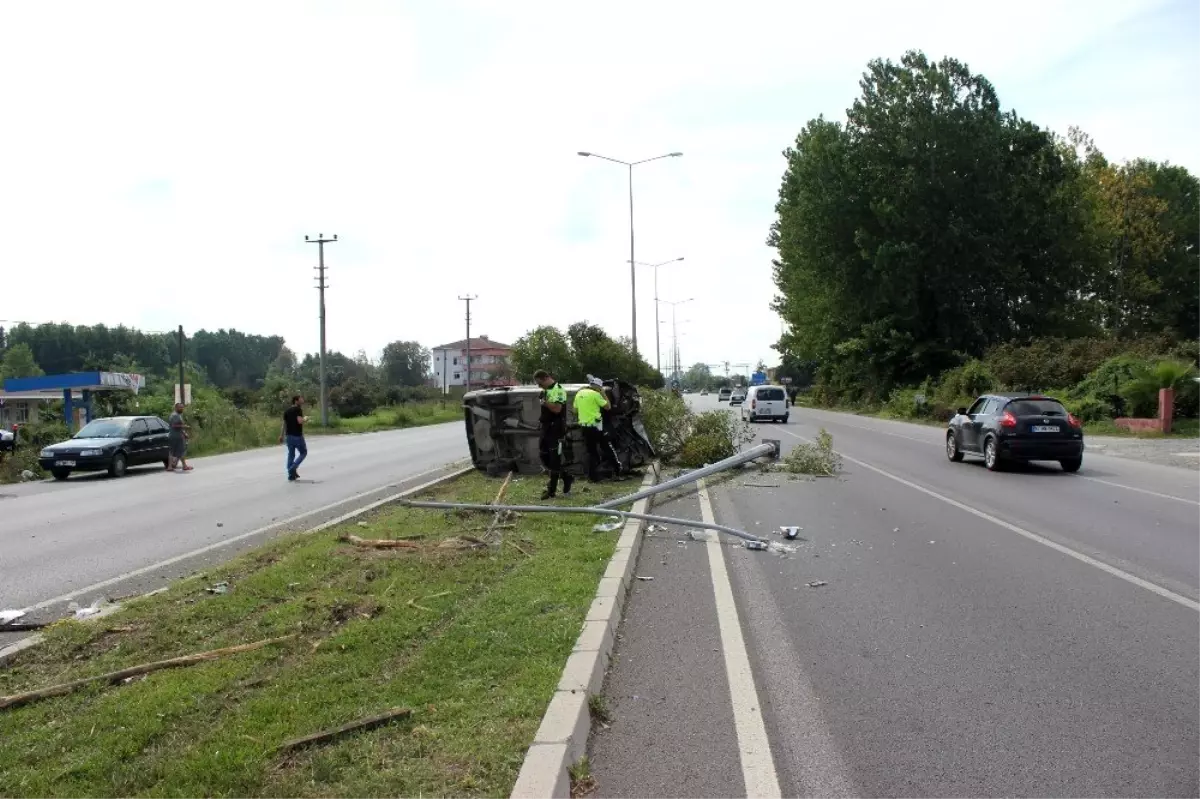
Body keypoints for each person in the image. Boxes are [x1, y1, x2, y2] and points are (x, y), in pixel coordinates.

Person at [574, 375, 622, 482]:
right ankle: (617, 470)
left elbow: (575, 410)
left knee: (591, 452)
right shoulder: (596, 394)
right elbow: (608, 407)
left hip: (585, 427)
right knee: (607, 448)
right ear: (598, 387)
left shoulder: (579, 393)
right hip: (597, 427)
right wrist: (603, 393)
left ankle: (593, 477)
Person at [534, 369, 573, 500]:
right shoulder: (545, 391)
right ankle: (566, 476)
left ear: (546, 378)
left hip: (556, 429)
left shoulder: (559, 390)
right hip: (546, 428)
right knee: (543, 455)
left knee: (554, 458)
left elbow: (557, 409)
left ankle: (551, 490)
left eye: (540, 383)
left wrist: (544, 402)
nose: (539, 386)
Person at [279, 395, 308, 481]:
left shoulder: (287, 411)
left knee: (291, 454)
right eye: (300, 399)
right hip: (297, 436)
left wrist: (281, 435)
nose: (302, 400)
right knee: (303, 452)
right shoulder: (298, 410)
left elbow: (284, 424)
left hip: (289, 436)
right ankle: (293, 467)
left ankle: (291, 475)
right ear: (296, 401)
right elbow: (300, 421)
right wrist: (305, 418)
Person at [167, 402, 193, 471]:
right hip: (176, 436)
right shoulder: (175, 415)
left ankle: (170, 466)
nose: (182, 408)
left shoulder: (176, 415)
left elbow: (176, 427)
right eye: (180, 407)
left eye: (182, 407)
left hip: (173, 435)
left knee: (172, 451)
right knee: (181, 450)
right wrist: (185, 426)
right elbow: (174, 426)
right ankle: (184, 466)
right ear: (176, 408)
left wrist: (184, 434)